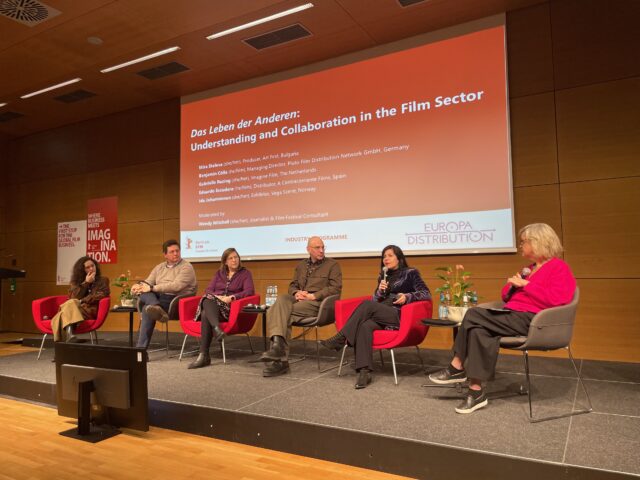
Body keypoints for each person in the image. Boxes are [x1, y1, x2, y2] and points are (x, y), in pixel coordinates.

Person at [428, 223, 577, 414]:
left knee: (473, 314)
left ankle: (456, 366)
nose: (521, 245)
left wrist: (526, 285)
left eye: (523, 242)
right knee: (478, 331)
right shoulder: (529, 268)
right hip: (511, 315)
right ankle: (476, 391)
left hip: (533, 321)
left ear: (538, 242)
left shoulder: (559, 267)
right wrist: (514, 286)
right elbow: (506, 297)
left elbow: (557, 299)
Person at [321, 245, 431, 389]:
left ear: (399, 258)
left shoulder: (410, 273)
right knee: (364, 326)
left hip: (400, 315)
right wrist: (379, 291)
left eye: (390, 255)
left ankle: (341, 337)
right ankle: (364, 372)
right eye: (384, 256)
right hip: (382, 313)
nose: (386, 259)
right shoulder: (383, 276)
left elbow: (426, 293)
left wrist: (407, 296)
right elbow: (375, 300)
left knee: (366, 305)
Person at [260, 236, 342, 377]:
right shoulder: (301, 265)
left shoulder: (332, 265)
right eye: (317, 248)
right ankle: (278, 351)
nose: (321, 250)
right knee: (281, 299)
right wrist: (296, 293)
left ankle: (280, 358)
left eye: (323, 247)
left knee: (280, 313)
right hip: (299, 300)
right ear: (308, 249)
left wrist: (314, 296)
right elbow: (293, 285)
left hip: (318, 304)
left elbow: (335, 288)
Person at [188, 248, 255, 369]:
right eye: (231, 258)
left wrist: (232, 297)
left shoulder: (245, 273)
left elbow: (249, 291)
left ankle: (204, 356)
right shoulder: (219, 274)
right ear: (225, 262)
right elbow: (208, 290)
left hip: (231, 310)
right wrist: (218, 297)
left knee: (205, 313)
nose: (234, 260)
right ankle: (216, 329)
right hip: (215, 308)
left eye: (236, 257)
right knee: (207, 299)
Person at [132, 239, 197, 349]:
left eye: (177, 251)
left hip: (175, 300)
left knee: (146, 308)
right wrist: (137, 287)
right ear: (165, 255)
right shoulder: (159, 267)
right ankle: (155, 306)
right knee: (143, 292)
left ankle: (140, 349)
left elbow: (176, 286)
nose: (175, 253)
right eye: (172, 252)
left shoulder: (186, 267)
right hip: (160, 298)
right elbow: (148, 282)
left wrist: (152, 288)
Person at [51, 256, 110, 342]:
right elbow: (73, 297)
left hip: (89, 311)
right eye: (87, 267)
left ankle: (68, 334)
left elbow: (100, 295)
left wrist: (81, 301)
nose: (91, 269)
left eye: (93, 266)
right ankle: (70, 334)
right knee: (71, 302)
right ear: (82, 270)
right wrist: (86, 283)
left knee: (66, 309)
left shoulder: (103, 280)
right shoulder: (76, 282)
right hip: (75, 309)